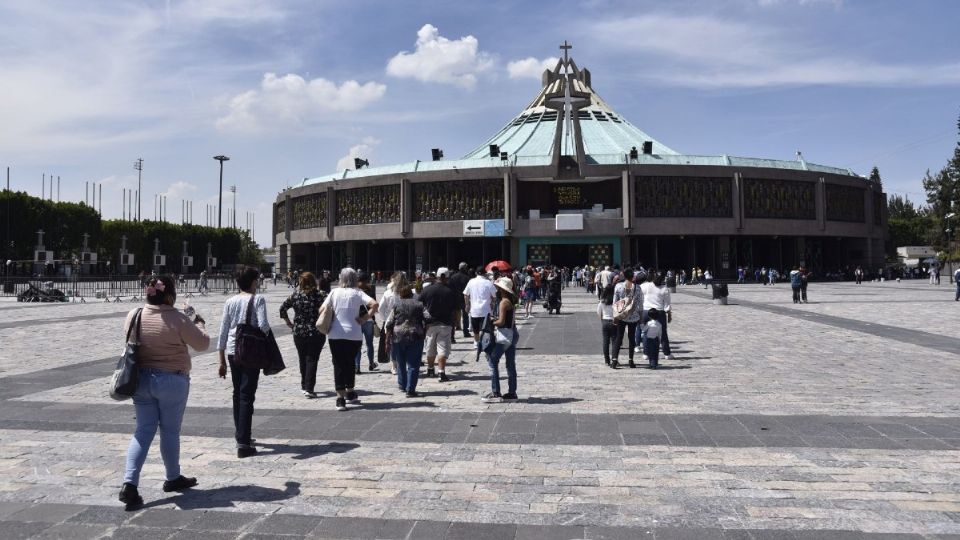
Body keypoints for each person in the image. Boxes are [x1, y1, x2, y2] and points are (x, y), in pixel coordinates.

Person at [118, 274, 209, 511]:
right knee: (170, 431)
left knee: (142, 431)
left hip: (141, 382)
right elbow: (202, 344)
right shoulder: (178, 319)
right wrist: (199, 322)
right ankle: (172, 477)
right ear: (169, 294)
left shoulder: (133, 315)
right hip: (172, 381)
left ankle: (130, 483)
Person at [217, 266, 270, 458]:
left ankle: (240, 433)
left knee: (237, 393)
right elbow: (263, 325)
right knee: (247, 394)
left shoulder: (230, 301)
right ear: (253, 282)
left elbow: (223, 330)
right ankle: (244, 443)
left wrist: (221, 360)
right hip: (250, 350)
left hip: (232, 350)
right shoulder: (258, 299)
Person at [322, 267, 378, 411]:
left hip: (335, 333)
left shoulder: (334, 292)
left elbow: (322, 309)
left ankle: (340, 398)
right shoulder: (358, 293)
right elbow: (374, 304)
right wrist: (364, 318)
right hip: (354, 333)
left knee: (338, 363)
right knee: (350, 362)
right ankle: (350, 390)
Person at [279, 271, 327, 398]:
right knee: (312, 359)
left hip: (299, 332)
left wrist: (289, 323)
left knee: (302, 358)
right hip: (316, 331)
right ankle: (309, 388)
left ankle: (304, 385)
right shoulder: (320, 295)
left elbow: (282, 308)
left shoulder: (295, 295)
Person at [384, 284, 426, 397]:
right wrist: (423, 331)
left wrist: (387, 341)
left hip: (398, 337)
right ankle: (410, 389)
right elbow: (428, 318)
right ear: (412, 294)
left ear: (400, 295)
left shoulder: (396, 305)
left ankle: (402, 385)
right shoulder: (419, 305)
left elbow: (389, 323)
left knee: (400, 362)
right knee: (413, 364)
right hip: (415, 336)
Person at [483, 277, 520, 402]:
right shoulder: (509, 300)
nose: (497, 289)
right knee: (510, 364)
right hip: (512, 333)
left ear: (503, 289)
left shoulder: (504, 302)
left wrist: (492, 321)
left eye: (498, 288)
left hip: (505, 335)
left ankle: (496, 392)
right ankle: (512, 392)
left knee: (492, 360)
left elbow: (501, 321)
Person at [419, 267, 458, 381]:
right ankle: (441, 372)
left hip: (430, 323)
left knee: (430, 347)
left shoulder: (427, 290)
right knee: (442, 349)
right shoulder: (450, 291)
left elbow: (420, 304)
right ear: (446, 277)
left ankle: (430, 369)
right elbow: (455, 309)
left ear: (437, 276)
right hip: (445, 323)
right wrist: (455, 322)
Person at [636, 271, 674, 362]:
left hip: (646, 311)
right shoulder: (664, 289)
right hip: (659, 312)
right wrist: (669, 315)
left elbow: (638, 296)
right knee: (663, 334)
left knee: (645, 333)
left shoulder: (645, 286)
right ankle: (667, 353)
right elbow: (667, 304)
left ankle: (646, 353)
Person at [611, 268, 643, 368]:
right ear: (632, 276)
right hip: (633, 316)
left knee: (618, 337)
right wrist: (641, 317)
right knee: (631, 338)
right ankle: (631, 360)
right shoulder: (638, 288)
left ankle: (615, 360)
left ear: (624, 276)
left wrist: (615, 316)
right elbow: (640, 304)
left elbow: (615, 302)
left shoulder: (618, 286)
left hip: (621, 316)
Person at [464, 266, 497, 351]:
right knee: (485, 328)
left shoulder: (471, 282)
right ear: (485, 273)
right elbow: (494, 295)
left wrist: (467, 305)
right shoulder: (488, 282)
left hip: (474, 309)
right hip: (486, 309)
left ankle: (476, 342)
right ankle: (484, 343)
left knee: (475, 328)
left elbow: (466, 294)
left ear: (476, 273)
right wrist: (493, 303)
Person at [354, 272, 378, 374]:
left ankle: (357, 366)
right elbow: (375, 305)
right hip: (368, 320)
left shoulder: (355, 292)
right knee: (369, 344)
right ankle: (371, 363)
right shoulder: (371, 290)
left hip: (357, 320)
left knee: (358, 345)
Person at [447, 262, 472, 338]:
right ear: (464, 268)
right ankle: (466, 332)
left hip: (454, 299)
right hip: (464, 299)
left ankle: (452, 336)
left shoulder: (453, 277)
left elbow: (450, 288)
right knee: (465, 316)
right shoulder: (467, 278)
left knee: (453, 317)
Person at [597, 284, 616, 366]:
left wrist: (602, 320)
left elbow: (599, 313)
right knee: (615, 342)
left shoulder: (602, 302)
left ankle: (607, 360)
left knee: (605, 341)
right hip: (614, 321)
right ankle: (614, 358)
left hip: (605, 321)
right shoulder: (615, 302)